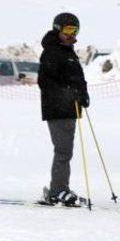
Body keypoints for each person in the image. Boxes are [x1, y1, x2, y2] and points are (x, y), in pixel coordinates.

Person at [38, 12, 89, 206]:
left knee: (66, 150)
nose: (71, 34)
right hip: (57, 109)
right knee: (63, 151)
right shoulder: (52, 52)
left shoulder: (67, 51)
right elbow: (45, 82)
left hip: (69, 108)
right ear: (58, 29)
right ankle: (57, 190)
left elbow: (77, 78)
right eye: (67, 30)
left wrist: (82, 94)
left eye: (74, 31)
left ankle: (61, 187)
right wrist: (69, 93)